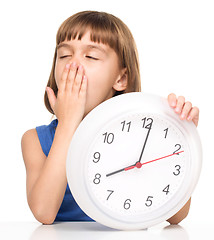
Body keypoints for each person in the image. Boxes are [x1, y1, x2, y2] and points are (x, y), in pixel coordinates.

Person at [21, 11, 199, 225]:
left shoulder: (141, 134)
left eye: (91, 56)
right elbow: (44, 212)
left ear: (121, 78)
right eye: (64, 55)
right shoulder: (35, 141)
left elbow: (176, 216)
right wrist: (68, 125)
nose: (73, 65)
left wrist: (179, 136)